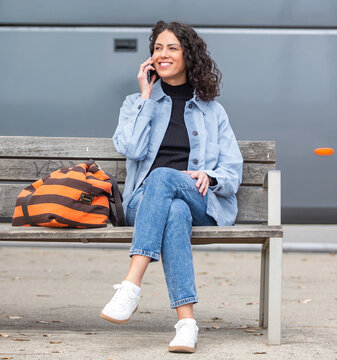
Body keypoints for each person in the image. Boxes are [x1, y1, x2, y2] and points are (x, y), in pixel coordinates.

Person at [100, 20, 243, 353]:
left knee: (165, 176)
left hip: (201, 201)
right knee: (173, 210)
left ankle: (132, 284)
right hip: (145, 203)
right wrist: (146, 99)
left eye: (172, 48)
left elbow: (233, 170)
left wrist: (212, 176)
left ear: (188, 56)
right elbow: (132, 149)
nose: (162, 54)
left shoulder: (213, 111)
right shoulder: (135, 102)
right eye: (157, 48)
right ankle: (187, 324)